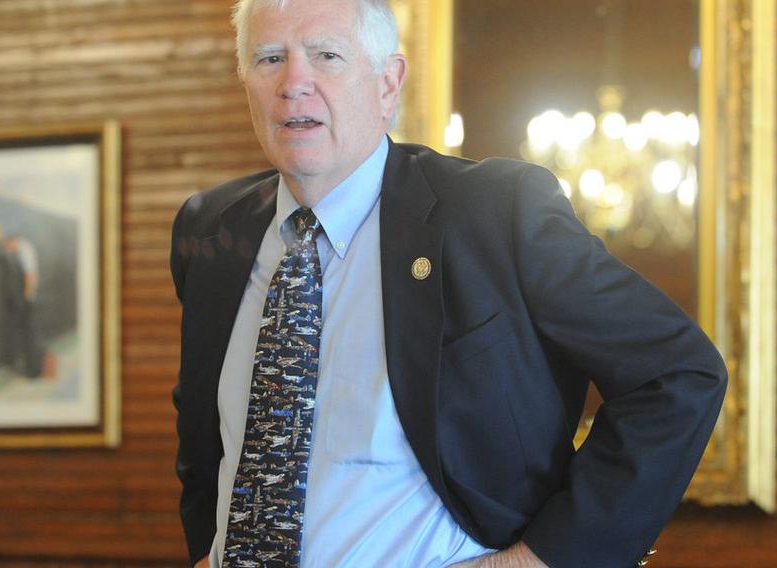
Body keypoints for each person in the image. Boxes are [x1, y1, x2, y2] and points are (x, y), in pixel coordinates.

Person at [169, 0, 728, 566]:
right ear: (246, 81)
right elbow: (205, 448)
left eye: (326, 56)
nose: (294, 83)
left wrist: (539, 560)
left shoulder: (493, 214)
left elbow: (678, 374)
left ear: (388, 84)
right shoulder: (211, 231)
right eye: (269, 59)